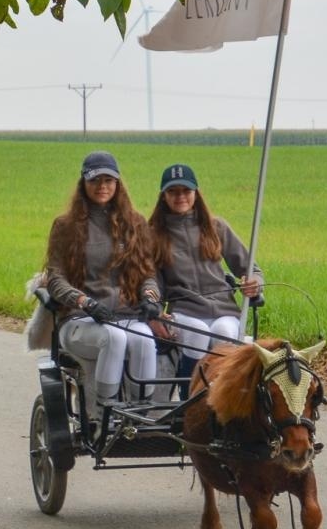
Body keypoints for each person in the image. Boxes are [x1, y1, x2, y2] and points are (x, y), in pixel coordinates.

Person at [43, 151, 164, 423]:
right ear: (83, 184)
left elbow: (148, 273)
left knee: (145, 338)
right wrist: (84, 301)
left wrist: (149, 296)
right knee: (115, 338)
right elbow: (54, 278)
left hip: (125, 315)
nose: (102, 187)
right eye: (95, 180)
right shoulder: (65, 226)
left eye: (109, 180)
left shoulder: (135, 223)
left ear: (118, 184)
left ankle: (139, 414)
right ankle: (103, 415)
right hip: (79, 320)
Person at [149, 163, 261, 391]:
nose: (180, 196)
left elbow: (251, 269)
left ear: (196, 193)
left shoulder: (216, 226)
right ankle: (189, 399)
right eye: (173, 191)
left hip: (224, 309)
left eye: (186, 191)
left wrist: (254, 283)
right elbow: (152, 280)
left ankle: (222, 397)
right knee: (197, 335)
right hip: (185, 310)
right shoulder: (153, 234)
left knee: (226, 333)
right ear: (164, 196)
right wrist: (152, 308)